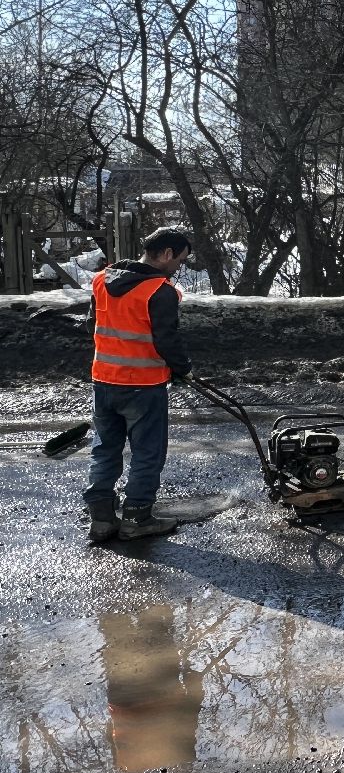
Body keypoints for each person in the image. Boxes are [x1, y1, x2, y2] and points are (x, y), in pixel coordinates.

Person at [84, 227, 193, 542]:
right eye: (180, 260)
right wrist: (184, 369)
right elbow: (166, 341)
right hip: (143, 386)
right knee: (147, 452)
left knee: (105, 448)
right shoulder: (160, 291)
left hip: (103, 381)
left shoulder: (102, 280)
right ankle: (137, 518)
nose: (179, 267)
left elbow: (93, 324)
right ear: (166, 254)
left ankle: (102, 519)